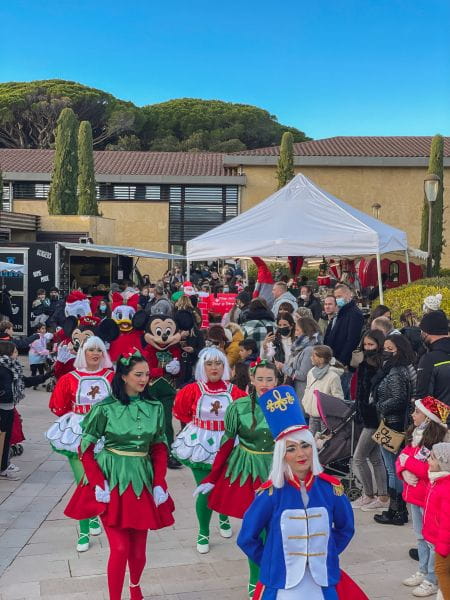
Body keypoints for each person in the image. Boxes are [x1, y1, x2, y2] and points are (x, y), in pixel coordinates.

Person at [237, 385, 366, 600]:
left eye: (305, 446)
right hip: (281, 583)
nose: (300, 454)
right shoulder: (271, 494)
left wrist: (326, 554)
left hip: (322, 580)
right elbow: (246, 538)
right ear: (282, 455)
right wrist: (272, 560)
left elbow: (346, 529)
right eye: (291, 448)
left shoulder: (331, 489)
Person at [64, 350, 174, 600]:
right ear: (123, 376)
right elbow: (86, 448)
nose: (144, 379)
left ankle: (135, 589)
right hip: (112, 479)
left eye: (146, 374)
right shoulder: (105, 408)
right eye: (138, 374)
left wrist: (159, 483)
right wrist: (97, 482)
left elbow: (158, 446)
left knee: (138, 550)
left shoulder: (155, 407)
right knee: (121, 547)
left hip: (142, 480)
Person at [195, 360, 278, 597]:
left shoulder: (285, 407)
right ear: (251, 380)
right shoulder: (238, 406)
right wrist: (212, 477)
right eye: (260, 379)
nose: (264, 384)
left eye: (269, 379)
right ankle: (256, 580)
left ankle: (273, 576)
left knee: (276, 527)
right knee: (256, 527)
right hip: (248, 470)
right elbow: (227, 443)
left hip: (277, 469)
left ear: (277, 381)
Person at [171, 347, 246, 553]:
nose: (214, 368)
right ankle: (203, 531)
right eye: (209, 364)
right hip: (201, 443)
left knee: (224, 484)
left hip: (228, 443)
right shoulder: (192, 390)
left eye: (218, 363)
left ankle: (223, 516)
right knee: (204, 487)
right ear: (202, 367)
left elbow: (244, 417)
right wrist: (201, 428)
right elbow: (181, 412)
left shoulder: (236, 392)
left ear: (225, 366)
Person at [46, 336, 115, 551]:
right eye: (91, 349)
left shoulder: (113, 377)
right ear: (82, 352)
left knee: (103, 479)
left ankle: (97, 515)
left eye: (99, 349)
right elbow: (58, 405)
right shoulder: (70, 378)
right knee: (83, 481)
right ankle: (84, 530)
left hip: (107, 431)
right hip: (79, 431)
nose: (95, 353)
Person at [396, 396, 448, 598]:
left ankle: (432, 579)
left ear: (427, 418)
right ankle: (423, 569)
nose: (412, 415)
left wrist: (405, 461)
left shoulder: (436, 443)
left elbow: (423, 468)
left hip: (428, 497)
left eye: (417, 412)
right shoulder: (415, 435)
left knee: (432, 539)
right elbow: (402, 459)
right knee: (420, 536)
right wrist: (403, 470)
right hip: (414, 496)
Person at [372, 334, 415, 526]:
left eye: (390, 348)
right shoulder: (401, 368)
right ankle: (397, 509)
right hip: (394, 423)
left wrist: (380, 406)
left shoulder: (396, 371)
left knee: (392, 468)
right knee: (393, 467)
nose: (386, 351)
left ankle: (396, 511)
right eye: (385, 347)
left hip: (392, 424)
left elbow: (398, 398)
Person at [0, 341, 52, 480]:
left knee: (6, 440)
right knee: (2, 439)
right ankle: (3, 467)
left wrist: (47, 375)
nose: (17, 354)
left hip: (9, 409)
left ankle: (4, 466)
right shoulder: (3, 369)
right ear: (8, 353)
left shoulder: (13, 368)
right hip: (2, 410)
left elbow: (26, 381)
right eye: (15, 351)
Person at [351, 330, 390, 512]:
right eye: (365, 345)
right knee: (375, 458)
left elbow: (369, 392)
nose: (367, 348)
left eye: (371, 345)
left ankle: (369, 494)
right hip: (370, 417)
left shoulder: (374, 366)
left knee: (358, 458)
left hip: (373, 419)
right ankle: (381, 495)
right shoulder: (372, 364)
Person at [324, 283, 364, 398]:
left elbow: (352, 340)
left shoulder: (354, 313)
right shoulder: (342, 312)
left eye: (340, 296)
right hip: (334, 361)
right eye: (336, 297)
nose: (338, 299)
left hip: (343, 364)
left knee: (341, 394)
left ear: (348, 295)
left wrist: (342, 362)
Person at [423, 442, 450, 598]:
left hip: (444, 543)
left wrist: (443, 547)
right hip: (438, 540)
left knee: (441, 570)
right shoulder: (437, 481)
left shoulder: (446, 487)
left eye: (432, 458)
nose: (428, 460)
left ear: (442, 463)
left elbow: (447, 522)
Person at [302, 345, 344, 435]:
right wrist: (306, 402)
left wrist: (330, 412)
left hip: (325, 417)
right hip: (312, 415)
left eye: (314, 356)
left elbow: (338, 397)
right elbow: (307, 388)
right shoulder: (311, 372)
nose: (311, 357)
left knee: (324, 442)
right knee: (311, 441)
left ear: (321, 359)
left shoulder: (333, 376)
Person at [282, 316, 322, 400]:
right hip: (299, 390)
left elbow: (303, 375)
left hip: (303, 393)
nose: (295, 333)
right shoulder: (300, 347)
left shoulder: (309, 350)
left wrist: (284, 367)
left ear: (305, 331)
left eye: (297, 330)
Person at [416, 310, 450, 406]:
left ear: (426, 332)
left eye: (422, 331)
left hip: (441, 419)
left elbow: (423, 398)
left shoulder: (429, 359)